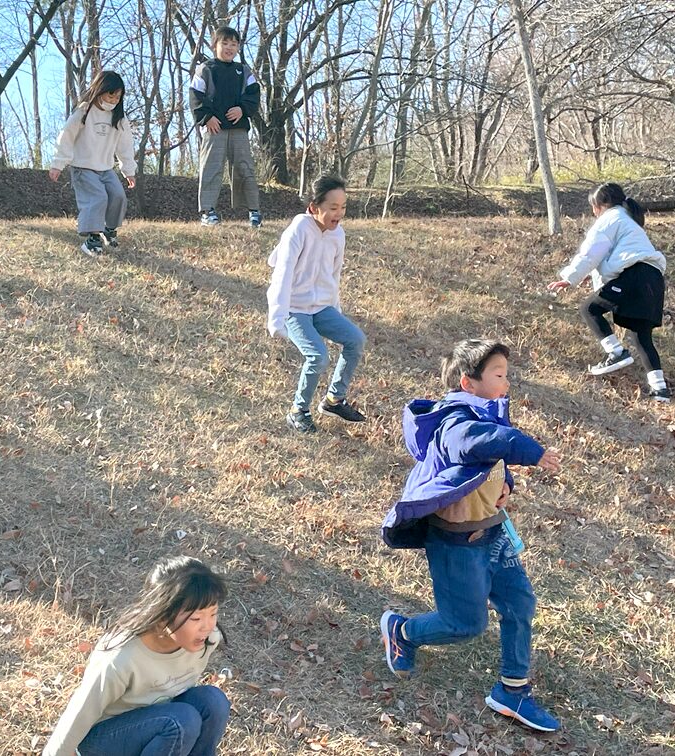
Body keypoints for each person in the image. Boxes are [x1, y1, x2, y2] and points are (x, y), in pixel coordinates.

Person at [378, 339, 562, 732]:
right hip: (457, 544)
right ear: (468, 382)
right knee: (465, 624)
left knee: (519, 603)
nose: (507, 383)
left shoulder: (486, 413)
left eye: (506, 375)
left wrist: (507, 481)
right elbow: (477, 444)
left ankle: (512, 691)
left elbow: (490, 460)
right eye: (499, 375)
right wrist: (527, 449)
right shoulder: (454, 422)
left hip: (494, 535)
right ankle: (404, 631)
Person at [43, 556, 231, 756]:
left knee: (214, 701)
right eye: (196, 618)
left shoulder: (206, 640)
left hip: (159, 722)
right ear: (162, 616)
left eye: (213, 613)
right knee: (181, 721)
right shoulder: (121, 658)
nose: (208, 625)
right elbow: (79, 714)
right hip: (105, 741)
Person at [547, 182, 670, 401]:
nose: (593, 211)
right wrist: (588, 274)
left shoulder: (610, 218)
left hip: (634, 275)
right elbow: (611, 257)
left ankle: (616, 352)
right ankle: (660, 389)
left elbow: (591, 251)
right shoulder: (629, 221)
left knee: (589, 308)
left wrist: (569, 278)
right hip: (653, 280)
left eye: (593, 206)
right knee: (641, 336)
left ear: (602, 204)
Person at [266, 175, 366, 433]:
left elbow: (334, 274)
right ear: (314, 207)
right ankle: (298, 411)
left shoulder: (337, 235)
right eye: (333, 208)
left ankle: (334, 400)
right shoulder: (299, 229)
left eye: (343, 207)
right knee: (318, 356)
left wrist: (335, 309)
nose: (339, 213)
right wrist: (276, 318)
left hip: (321, 308)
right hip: (294, 309)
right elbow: (283, 272)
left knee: (355, 339)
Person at [50, 70, 137, 257]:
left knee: (118, 196)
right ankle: (92, 239)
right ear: (99, 90)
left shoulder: (119, 118)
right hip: (83, 168)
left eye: (118, 96)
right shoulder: (84, 111)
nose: (113, 100)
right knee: (97, 198)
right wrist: (58, 163)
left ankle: (109, 229)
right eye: (110, 95)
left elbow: (125, 146)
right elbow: (66, 136)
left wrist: (128, 170)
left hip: (106, 169)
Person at [189, 26, 262, 228]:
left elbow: (254, 94)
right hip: (214, 129)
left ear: (238, 47)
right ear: (215, 45)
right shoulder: (205, 69)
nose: (229, 47)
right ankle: (207, 211)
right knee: (211, 169)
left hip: (239, 129)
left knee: (245, 168)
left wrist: (242, 109)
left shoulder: (244, 71)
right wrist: (206, 117)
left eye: (234, 44)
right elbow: (195, 96)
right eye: (225, 43)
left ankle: (254, 211)